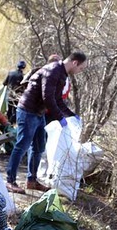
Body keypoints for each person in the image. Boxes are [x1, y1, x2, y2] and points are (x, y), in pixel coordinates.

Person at [5, 51, 87, 194]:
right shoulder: (54, 70)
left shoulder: (61, 73)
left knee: (38, 147)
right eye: (81, 68)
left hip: (39, 113)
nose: (80, 71)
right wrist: (60, 118)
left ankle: (32, 181)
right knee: (22, 145)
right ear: (75, 63)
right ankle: (10, 181)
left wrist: (71, 116)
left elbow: (58, 100)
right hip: (27, 110)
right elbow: (48, 98)